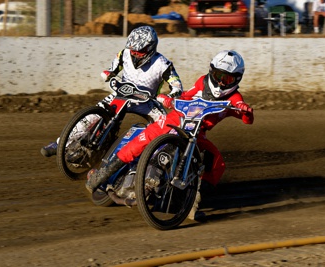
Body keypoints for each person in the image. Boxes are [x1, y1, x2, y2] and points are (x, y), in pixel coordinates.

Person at [86, 50, 254, 220]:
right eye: (218, 75)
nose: (220, 82)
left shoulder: (234, 98)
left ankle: (189, 205)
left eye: (227, 79)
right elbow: (186, 96)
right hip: (173, 119)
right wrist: (170, 100)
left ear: (237, 79)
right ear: (211, 71)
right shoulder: (202, 82)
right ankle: (102, 176)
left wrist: (246, 110)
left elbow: (247, 117)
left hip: (196, 133)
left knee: (216, 163)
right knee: (138, 144)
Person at [40, 26, 183, 157]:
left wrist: (170, 96)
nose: (134, 54)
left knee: (167, 129)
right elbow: (112, 69)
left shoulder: (163, 64)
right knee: (91, 117)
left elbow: (177, 86)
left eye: (138, 52)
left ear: (150, 49)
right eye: (132, 50)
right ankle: (61, 144)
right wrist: (109, 73)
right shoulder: (124, 54)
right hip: (121, 95)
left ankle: (158, 161)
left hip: (147, 102)